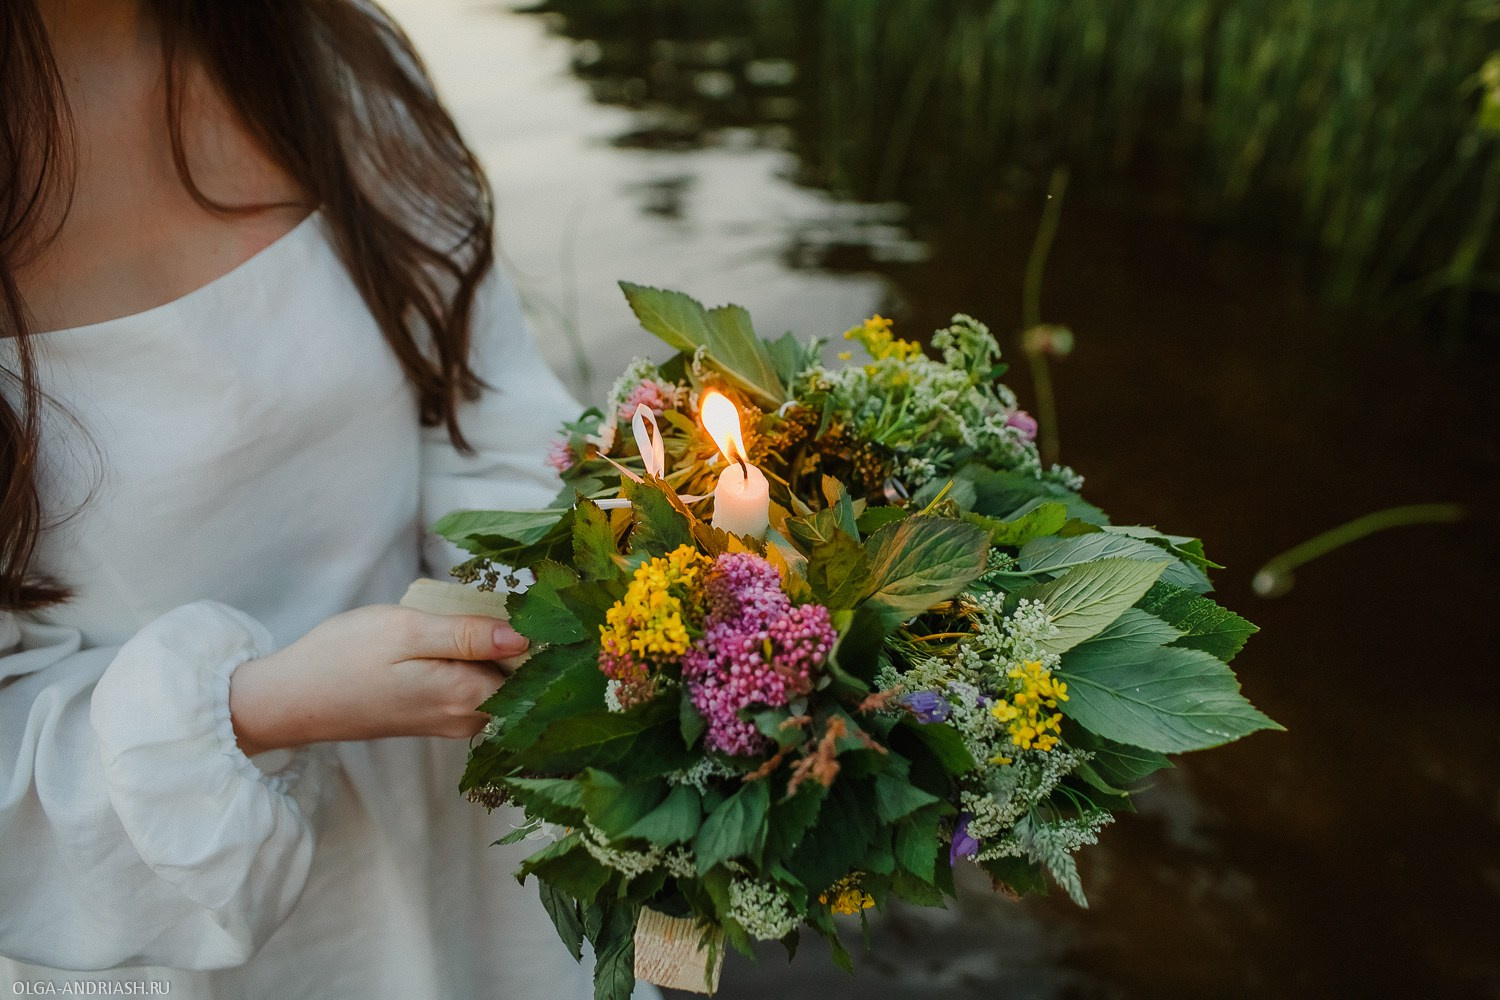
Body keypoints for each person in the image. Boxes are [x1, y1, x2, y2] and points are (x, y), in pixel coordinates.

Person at [0, 2, 629, 996]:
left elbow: (493, 419)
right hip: (184, 910)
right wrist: (257, 709)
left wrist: (548, 612)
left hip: (481, 827)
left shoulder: (336, 60)